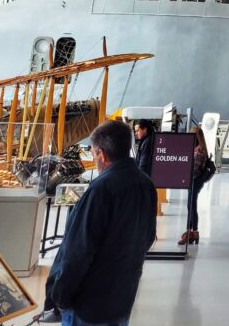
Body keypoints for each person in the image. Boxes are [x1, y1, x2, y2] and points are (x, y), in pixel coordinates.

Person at [46, 120, 157, 326]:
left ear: (101, 154)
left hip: (88, 305)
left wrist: (59, 296)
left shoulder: (100, 189)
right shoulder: (146, 185)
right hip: (122, 297)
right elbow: (149, 237)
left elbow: (77, 251)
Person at [180, 126, 216, 246]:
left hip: (195, 180)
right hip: (196, 180)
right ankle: (192, 232)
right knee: (191, 205)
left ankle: (193, 232)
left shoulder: (198, 150)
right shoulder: (200, 148)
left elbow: (194, 169)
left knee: (191, 206)